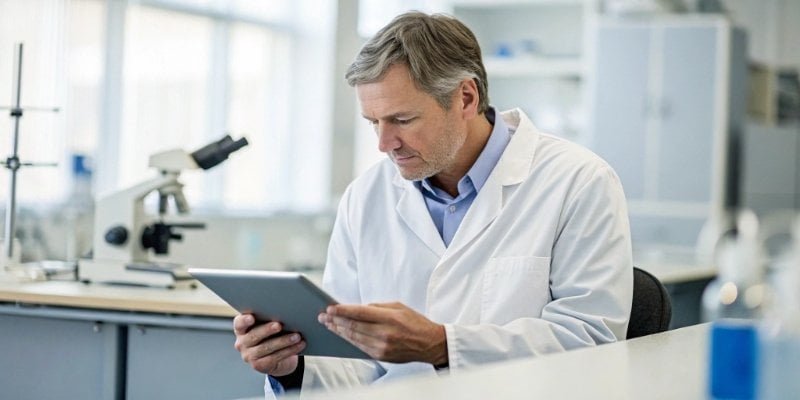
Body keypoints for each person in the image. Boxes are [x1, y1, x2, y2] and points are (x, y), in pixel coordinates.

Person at [234, 11, 633, 398]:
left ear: (465, 97)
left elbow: (592, 342)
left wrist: (444, 345)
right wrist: (293, 367)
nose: (383, 143)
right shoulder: (365, 196)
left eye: (402, 119)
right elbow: (351, 357)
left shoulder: (579, 181)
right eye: (373, 122)